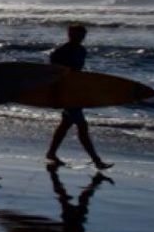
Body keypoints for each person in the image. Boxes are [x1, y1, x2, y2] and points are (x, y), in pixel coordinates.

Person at [45, 23, 112, 169]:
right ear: (70, 35)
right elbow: (54, 77)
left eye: (83, 36)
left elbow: (78, 75)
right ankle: (96, 160)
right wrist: (56, 97)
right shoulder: (59, 53)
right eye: (78, 35)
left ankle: (51, 153)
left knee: (65, 125)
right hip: (65, 94)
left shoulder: (82, 51)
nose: (81, 38)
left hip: (75, 93)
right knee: (82, 126)